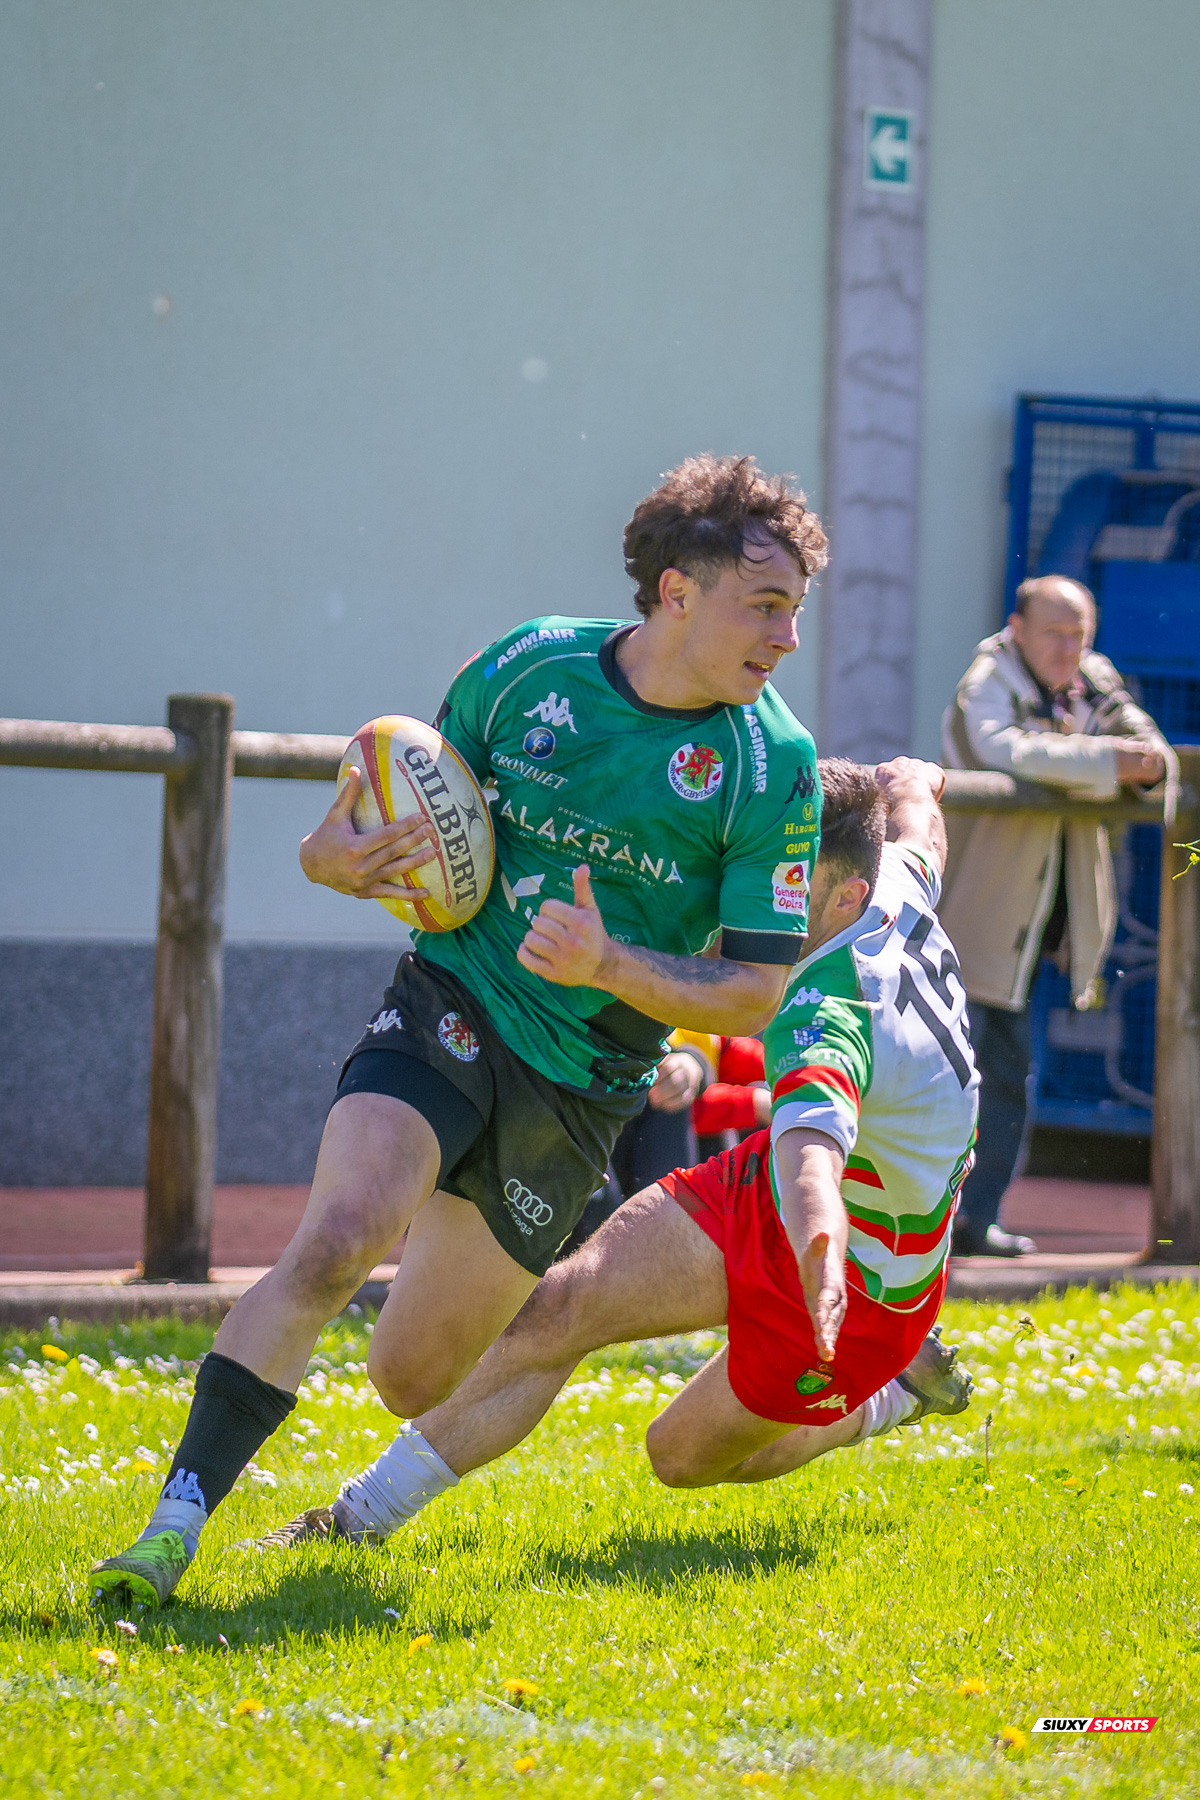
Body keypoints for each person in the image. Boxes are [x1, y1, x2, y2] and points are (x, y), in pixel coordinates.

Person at [90, 454, 828, 1607]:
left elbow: (753, 993)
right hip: (454, 999)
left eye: (795, 610)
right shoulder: (531, 668)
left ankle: (384, 1416)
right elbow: (403, 813)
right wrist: (329, 857)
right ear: (677, 593)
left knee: (412, 1374)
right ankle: (169, 1531)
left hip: (582, 1080)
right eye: (767, 605)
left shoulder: (772, 767)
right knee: (337, 1240)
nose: (787, 637)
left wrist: (612, 966)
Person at [259, 755, 978, 1550]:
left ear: (846, 896)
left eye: (786, 888)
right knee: (562, 1306)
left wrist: (817, 1245)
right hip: (769, 1189)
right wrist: (913, 778)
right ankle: (356, 1519)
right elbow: (919, 820)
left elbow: (811, 1162)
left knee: (680, 1455)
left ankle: (888, 1396)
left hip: (860, 1271)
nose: (755, 899)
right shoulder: (893, 878)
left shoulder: (827, 1012)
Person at [940, 575, 1174, 1256]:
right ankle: (917, 1228)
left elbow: (1152, 755)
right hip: (968, 924)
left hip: (1039, 931)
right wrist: (1106, 763)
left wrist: (1121, 762)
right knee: (944, 1078)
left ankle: (977, 1223)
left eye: (1081, 634)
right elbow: (1002, 750)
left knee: (1009, 1081)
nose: (1070, 649)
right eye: (1055, 633)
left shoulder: (1092, 677)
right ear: (1017, 628)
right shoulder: (988, 678)